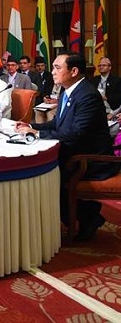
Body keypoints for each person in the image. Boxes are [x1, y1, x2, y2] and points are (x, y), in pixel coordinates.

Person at [17, 54, 114, 241]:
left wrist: (37, 134)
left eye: (57, 68)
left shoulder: (87, 95)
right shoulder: (67, 91)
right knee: (40, 171)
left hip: (91, 158)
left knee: (45, 176)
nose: (52, 72)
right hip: (73, 152)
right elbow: (57, 125)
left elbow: (75, 134)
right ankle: (85, 215)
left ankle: (88, 216)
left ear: (74, 71)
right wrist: (30, 126)